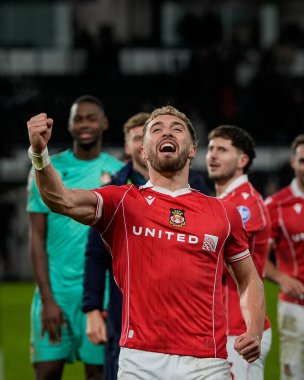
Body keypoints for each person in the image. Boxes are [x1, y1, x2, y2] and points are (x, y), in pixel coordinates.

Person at [27, 105, 265, 380]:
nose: (168, 133)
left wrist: (254, 330)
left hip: (207, 361)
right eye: (157, 129)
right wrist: (39, 154)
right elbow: (61, 199)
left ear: (192, 150)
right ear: (142, 151)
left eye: (177, 129)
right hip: (140, 361)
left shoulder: (224, 212)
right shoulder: (122, 202)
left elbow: (249, 279)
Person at [82, 111, 211, 380]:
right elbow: (96, 255)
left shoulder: (195, 185)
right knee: (119, 359)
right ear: (132, 147)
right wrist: (93, 309)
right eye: (139, 136)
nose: (157, 138)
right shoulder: (115, 189)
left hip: (185, 310)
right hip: (125, 303)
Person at [26, 95, 123, 380]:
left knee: (97, 374)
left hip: (100, 294)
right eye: (78, 118)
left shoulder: (119, 173)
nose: (85, 124)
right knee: (47, 372)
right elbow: (36, 239)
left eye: (91, 118)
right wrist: (47, 299)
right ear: (68, 125)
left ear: (104, 123)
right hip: (55, 293)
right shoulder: (44, 170)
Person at [206, 125, 272, 379]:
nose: (212, 155)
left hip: (241, 329)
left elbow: (216, 263)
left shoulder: (247, 206)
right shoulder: (223, 202)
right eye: (211, 149)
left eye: (222, 150)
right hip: (223, 325)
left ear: (242, 160)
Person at [264, 133, 304, 380]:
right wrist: (282, 278)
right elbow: (256, 257)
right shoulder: (276, 205)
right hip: (295, 308)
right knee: (293, 374)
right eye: (302, 160)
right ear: (293, 162)